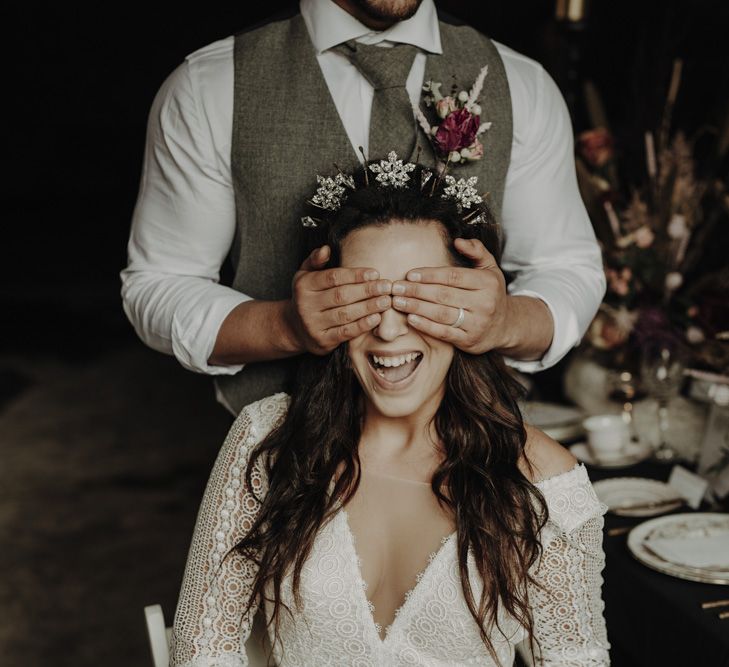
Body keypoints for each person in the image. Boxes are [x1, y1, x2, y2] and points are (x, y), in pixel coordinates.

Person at [170, 157, 610, 666]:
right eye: (365, 298)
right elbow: (203, 649)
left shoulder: (544, 479)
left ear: (472, 304)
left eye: (420, 297)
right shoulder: (265, 438)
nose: (388, 330)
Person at [120, 0, 606, 415]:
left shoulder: (521, 84)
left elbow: (567, 269)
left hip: (473, 460)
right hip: (279, 463)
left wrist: (504, 321)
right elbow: (160, 283)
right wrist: (284, 325)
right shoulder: (209, 87)